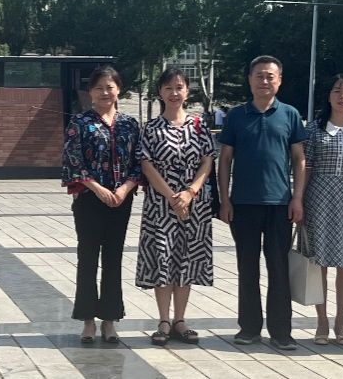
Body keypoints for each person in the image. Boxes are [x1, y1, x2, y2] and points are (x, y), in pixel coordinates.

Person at [217, 55, 307, 350]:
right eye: (259, 75)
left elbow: (299, 159)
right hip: (243, 203)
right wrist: (225, 199)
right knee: (247, 267)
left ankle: (281, 331)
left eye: (270, 76)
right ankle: (249, 327)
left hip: (280, 203)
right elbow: (225, 159)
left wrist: (297, 198)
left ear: (279, 80)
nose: (264, 81)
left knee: (278, 268)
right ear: (250, 80)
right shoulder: (236, 115)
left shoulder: (290, 114)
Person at [61, 65, 142, 345]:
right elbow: (73, 161)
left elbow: (139, 162)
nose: (105, 92)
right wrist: (97, 188)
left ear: (118, 90)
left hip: (121, 201)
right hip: (89, 200)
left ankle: (109, 320)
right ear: (90, 92)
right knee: (87, 259)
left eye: (110, 87)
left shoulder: (130, 124)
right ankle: (87, 321)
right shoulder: (80, 123)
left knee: (113, 259)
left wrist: (124, 189)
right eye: (99, 88)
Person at [136, 67, 215, 346]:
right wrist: (173, 197)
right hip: (161, 205)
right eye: (168, 87)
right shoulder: (150, 128)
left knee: (186, 259)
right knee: (163, 258)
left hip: (194, 205)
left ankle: (180, 320)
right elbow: (146, 165)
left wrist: (190, 193)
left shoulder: (198, 126)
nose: (174, 93)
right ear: (160, 92)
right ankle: (163, 320)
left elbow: (208, 160)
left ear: (187, 92)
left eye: (179, 87)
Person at [302, 74, 343, 346]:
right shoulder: (313, 129)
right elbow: (305, 166)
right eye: (337, 91)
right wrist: (299, 200)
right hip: (318, 197)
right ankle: (321, 321)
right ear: (328, 95)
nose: (342, 97)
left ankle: (341, 322)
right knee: (319, 262)